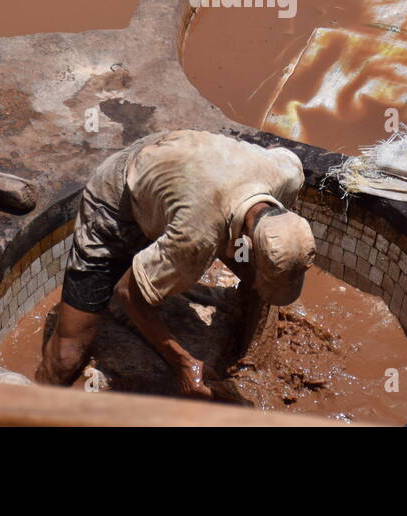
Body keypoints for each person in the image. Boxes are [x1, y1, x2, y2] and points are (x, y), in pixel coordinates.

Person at [36, 129, 315, 398]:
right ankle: (29, 406)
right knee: (67, 357)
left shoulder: (287, 174)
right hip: (117, 197)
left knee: (251, 276)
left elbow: (275, 158)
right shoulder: (198, 236)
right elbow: (128, 292)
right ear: (245, 239)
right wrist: (182, 362)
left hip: (185, 172)